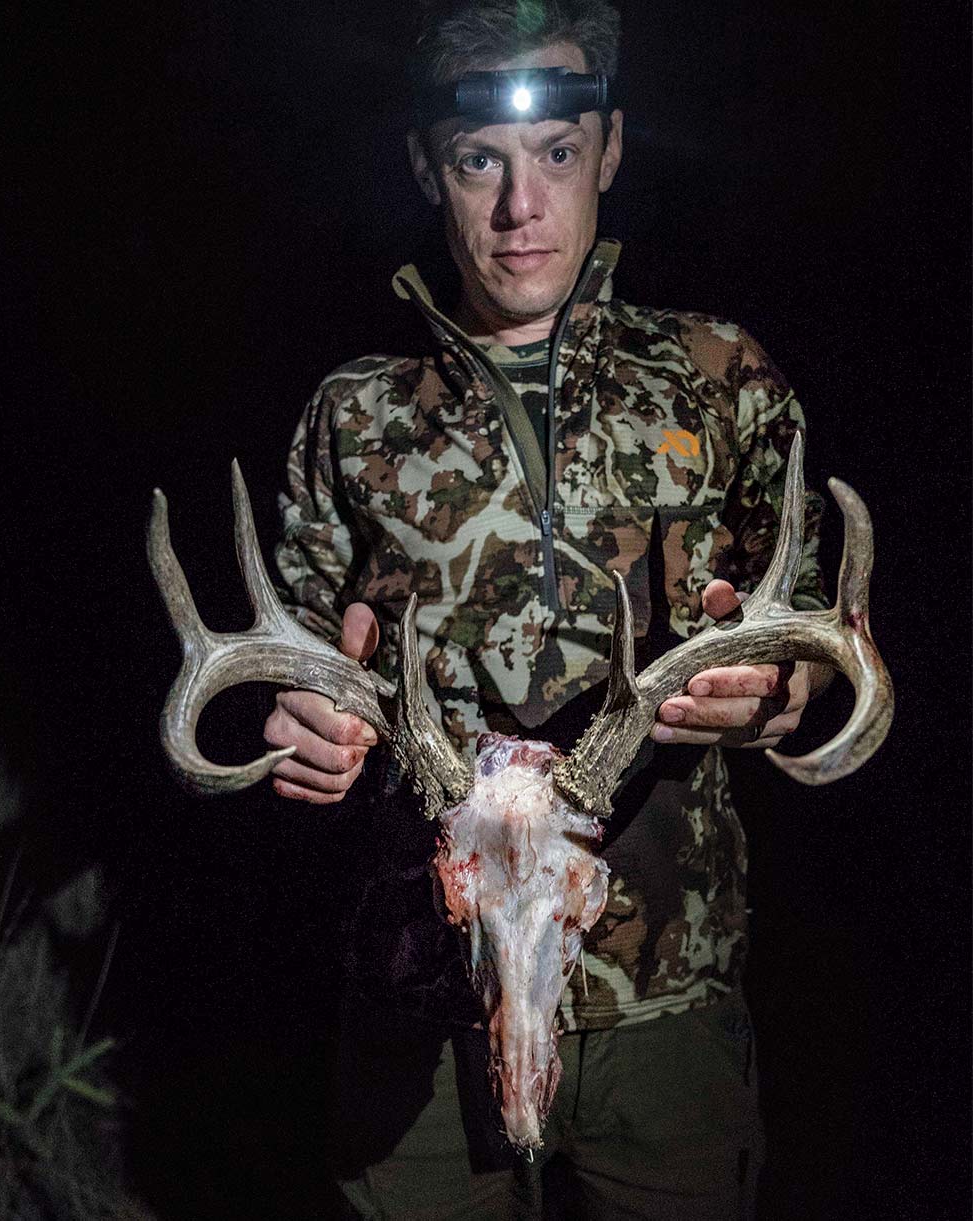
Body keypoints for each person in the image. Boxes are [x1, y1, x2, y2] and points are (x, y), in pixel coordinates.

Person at [264, 3, 831, 1217]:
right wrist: (304, 721)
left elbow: (826, 646)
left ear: (610, 149)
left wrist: (782, 693)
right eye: (480, 162)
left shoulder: (721, 377)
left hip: (663, 1010)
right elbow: (303, 658)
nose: (522, 209)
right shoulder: (353, 417)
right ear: (428, 165)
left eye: (556, 156)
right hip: (420, 1003)